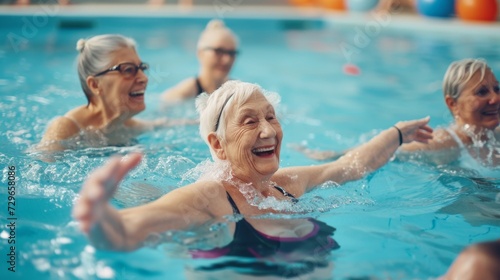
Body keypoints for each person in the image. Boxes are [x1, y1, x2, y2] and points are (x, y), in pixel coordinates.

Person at [73, 80, 432, 276]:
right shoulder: (211, 196)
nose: (268, 131)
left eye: (271, 117)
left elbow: (349, 166)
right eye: (249, 121)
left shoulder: (285, 184)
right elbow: (130, 230)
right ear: (218, 144)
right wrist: (99, 218)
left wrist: (397, 134)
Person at [296, 59, 500, 168]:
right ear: (453, 104)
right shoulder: (442, 141)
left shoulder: (495, 133)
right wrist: (333, 155)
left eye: (497, 89)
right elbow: (386, 150)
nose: (495, 99)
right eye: (482, 92)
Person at [38, 34, 189, 151]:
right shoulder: (66, 128)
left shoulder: (125, 126)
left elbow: (163, 124)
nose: (144, 78)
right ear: (95, 84)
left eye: (142, 68)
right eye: (128, 70)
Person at [161, 20, 238, 103]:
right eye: (218, 52)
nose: (226, 60)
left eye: (231, 53)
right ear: (200, 53)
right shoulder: (180, 95)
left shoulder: (238, 92)